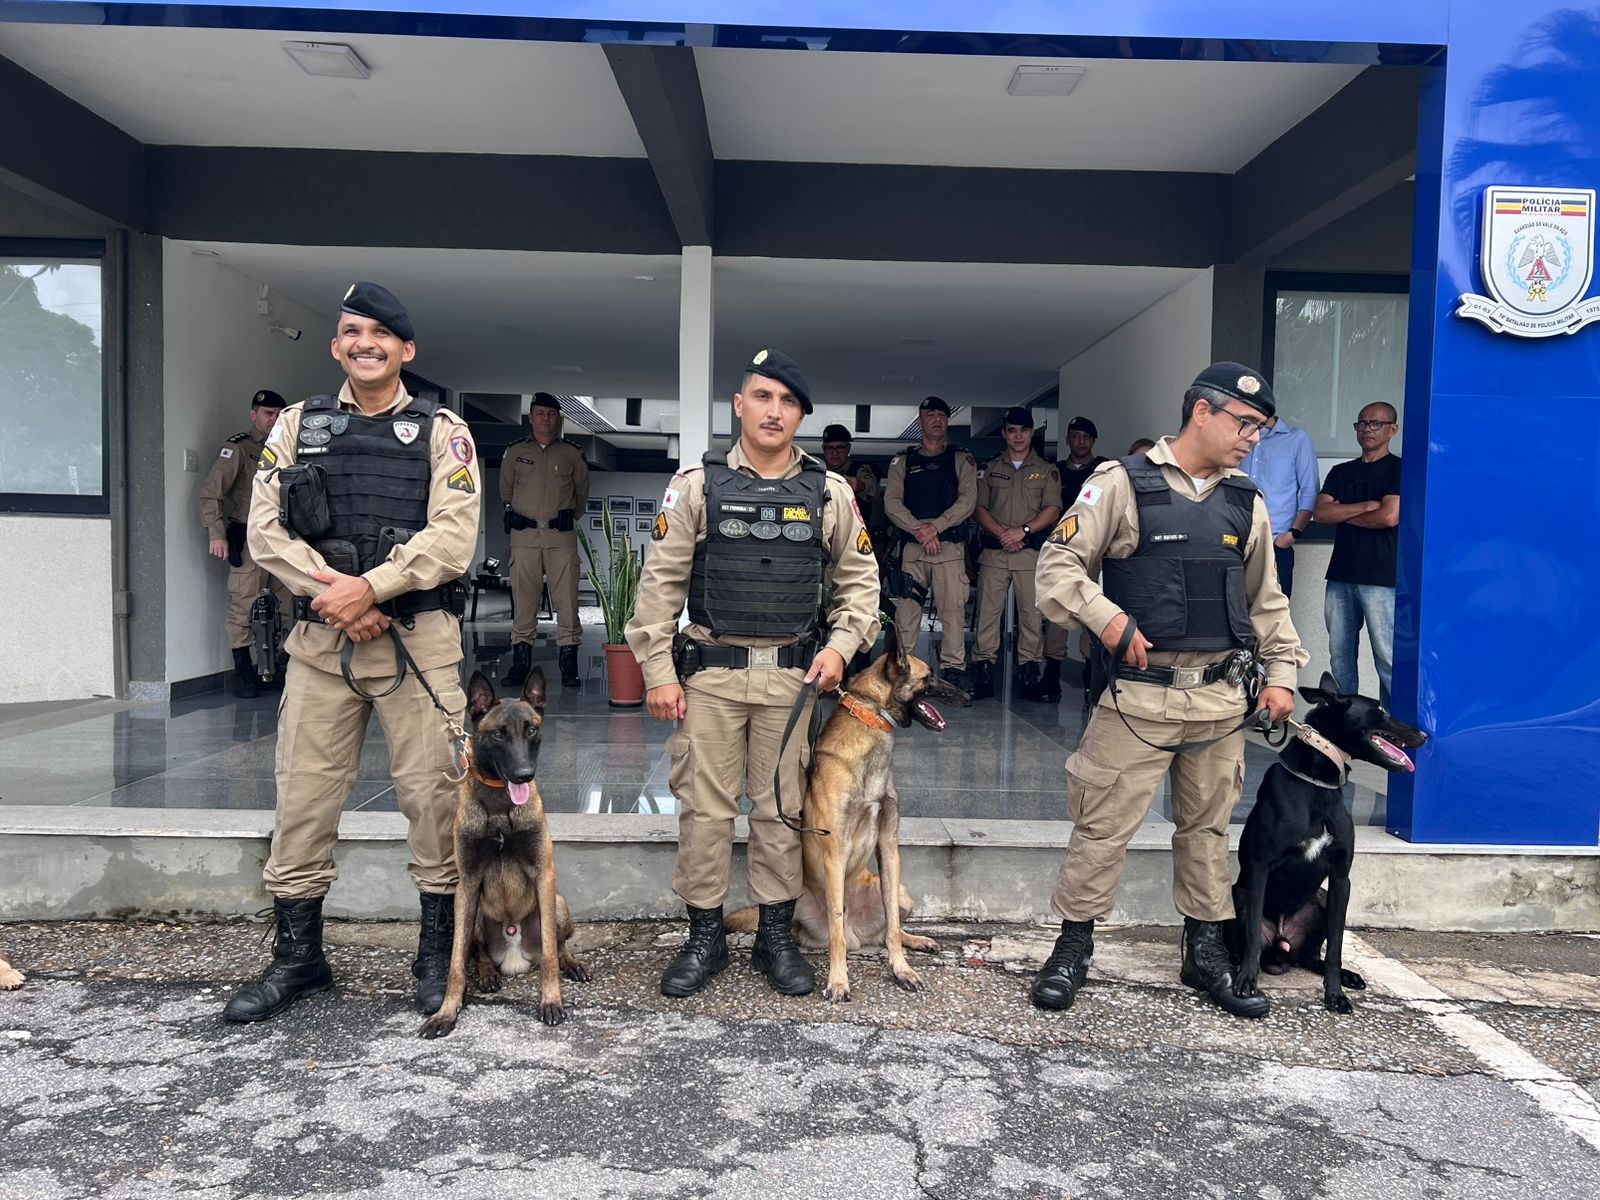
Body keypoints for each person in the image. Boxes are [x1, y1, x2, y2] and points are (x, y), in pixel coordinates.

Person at [226, 282, 480, 1024]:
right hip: (319, 641)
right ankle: (298, 959)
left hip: (417, 641)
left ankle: (438, 955)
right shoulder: (296, 425)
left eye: (379, 332)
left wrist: (370, 588)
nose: (363, 342)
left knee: (434, 798)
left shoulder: (444, 431)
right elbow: (264, 531)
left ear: (406, 349)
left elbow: (453, 536)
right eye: (349, 331)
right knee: (303, 796)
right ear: (337, 346)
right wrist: (337, 594)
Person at [1032, 361, 1307, 1019]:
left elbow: (1265, 600)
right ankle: (1073, 947)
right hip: (1138, 700)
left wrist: (1283, 677)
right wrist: (1110, 618)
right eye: (1245, 424)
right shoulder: (1120, 485)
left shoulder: (1247, 502)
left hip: (1217, 702)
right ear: (1202, 413)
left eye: (1261, 429)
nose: (1253, 439)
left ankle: (1204, 950)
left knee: (1207, 831)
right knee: (1100, 830)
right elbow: (1057, 567)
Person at [625, 349, 879, 999]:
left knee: (780, 811)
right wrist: (657, 671)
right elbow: (658, 589)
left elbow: (860, 585)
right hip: (709, 676)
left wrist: (842, 648)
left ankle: (774, 935)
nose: (774, 411)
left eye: (788, 402)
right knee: (704, 813)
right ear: (739, 405)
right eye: (762, 397)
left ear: (801, 416)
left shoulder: (830, 492)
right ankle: (705, 936)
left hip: (792, 681)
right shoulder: (696, 485)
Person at [198, 388, 291, 698]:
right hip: (249, 538)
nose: (274, 420)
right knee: (244, 605)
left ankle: (278, 667)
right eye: (268, 414)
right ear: (254, 415)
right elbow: (211, 493)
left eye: (279, 414)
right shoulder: (239, 448)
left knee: (288, 604)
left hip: (282, 539)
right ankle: (244, 672)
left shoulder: (289, 448)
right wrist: (216, 533)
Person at [883, 396, 977, 691]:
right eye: (930, 414)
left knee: (952, 612)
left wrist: (935, 527)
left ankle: (953, 670)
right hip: (914, 549)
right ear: (920, 420)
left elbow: (968, 501)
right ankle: (904, 672)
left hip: (948, 548)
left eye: (941, 415)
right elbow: (892, 503)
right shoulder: (904, 460)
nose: (936, 419)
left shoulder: (962, 459)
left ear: (947, 421)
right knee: (907, 614)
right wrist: (920, 530)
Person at [1313, 402, 1402, 708]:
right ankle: (1345, 723)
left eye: (1375, 424)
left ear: (1393, 429)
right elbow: (1321, 513)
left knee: (1388, 659)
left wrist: (1342, 513)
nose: (1366, 429)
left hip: (1382, 578)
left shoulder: (1399, 469)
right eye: (1362, 423)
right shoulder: (1341, 472)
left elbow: (1389, 517)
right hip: (1340, 576)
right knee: (1340, 658)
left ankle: (1393, 728)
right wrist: (1366, 507)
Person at [970, 407, 1061, 701]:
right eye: (1011, 430)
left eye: (1023, 430)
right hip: (995, 553)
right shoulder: (991, 468)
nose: (1018, 436)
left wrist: (1022, 530)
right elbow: (978, 507)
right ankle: (983, 674)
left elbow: (1052, 509)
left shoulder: (1047, 470)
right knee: (987, 614)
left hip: (1028, 552)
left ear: (1032, 433)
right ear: (1004, 433)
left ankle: (1029, 676)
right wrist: (1002, 533)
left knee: (1032, 616)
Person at [501, 392, 590, 689]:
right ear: (531, 417)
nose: (546, 419)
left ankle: (569, 667)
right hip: (524, 537)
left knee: (567, 602)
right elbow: (506, 491)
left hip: (560, 537)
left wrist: (565, 516)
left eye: (551, 414)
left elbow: (581, 496)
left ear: (559, 418)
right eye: (540, 413)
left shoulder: (571, 454)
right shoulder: (514, 452)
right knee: (524, 602)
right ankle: (520, 665)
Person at [1040, 416, 1108, 704]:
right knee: (1059, 610)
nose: (1081, 441)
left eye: (1086, 437)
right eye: (1075, 436)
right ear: (1068, 439)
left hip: (1096, 552)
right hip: (1065, 551)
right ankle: (1052, 672)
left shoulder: (1103, 471)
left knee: (1093, 610)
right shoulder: (1054, 473)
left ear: (1093, 441)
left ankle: (1091, 674)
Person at [1240, 413, 1317, 597]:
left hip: (1275, 542)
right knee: (1231, 609)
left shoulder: (1297, 438)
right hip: (1236, 538)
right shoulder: (1237, 437)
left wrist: (1292, 534)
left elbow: (1310, 490)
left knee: (1275, 611)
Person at [820, 423, 884, 545]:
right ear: (823, 449)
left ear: (848, 448)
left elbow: (871, 488)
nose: (834, 453)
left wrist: (858, 485)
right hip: (826, 537)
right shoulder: (818, 472)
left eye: (840, 448)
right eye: (829, 448)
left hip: (856, 538)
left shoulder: (860, 469)